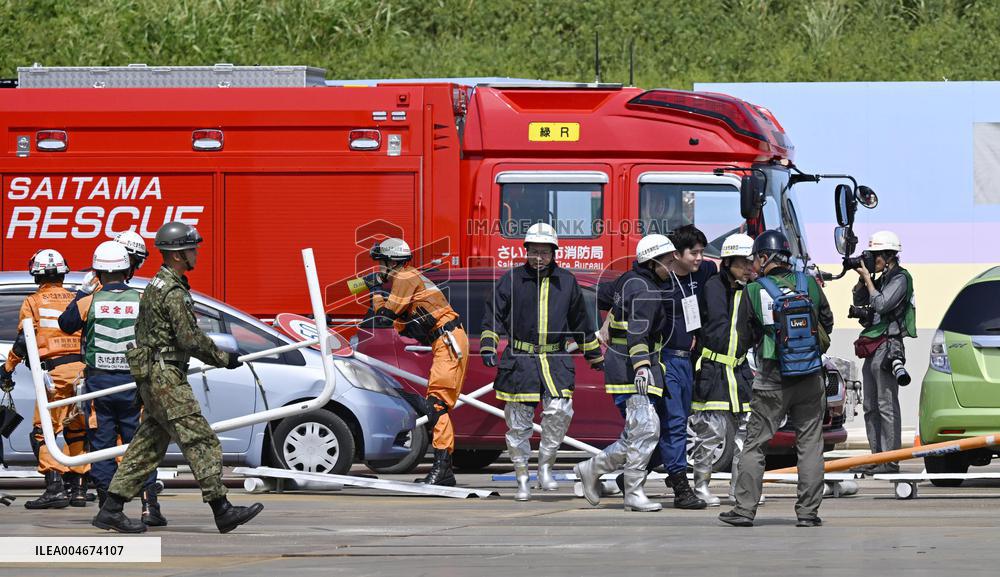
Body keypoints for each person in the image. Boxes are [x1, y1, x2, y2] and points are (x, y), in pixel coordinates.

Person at [92, 222, 262, 534]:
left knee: (147, 447)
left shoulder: (157, 285)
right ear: (179, 255)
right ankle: (222, 509)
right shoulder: (172, 292)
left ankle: (111, 509)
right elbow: (190, 339)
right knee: (201, 439)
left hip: (154, 376)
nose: (196, 253)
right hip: (165, 377)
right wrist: (224, 358)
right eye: (192, 248)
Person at [480, 223, 604, 501]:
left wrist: (594, 355)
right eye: (533, 251)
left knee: (560, 412)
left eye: (544, 252)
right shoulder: (511, 279)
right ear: (526, 251)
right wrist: (489, 345)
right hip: (520, 361)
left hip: (556, 360)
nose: (538, 257)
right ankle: (522, 477)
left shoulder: (567, 280)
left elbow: (580, 321)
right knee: (518, 424)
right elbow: (493, 315)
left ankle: (545, 466)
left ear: (554, 252)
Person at [720, 229, 833, 528]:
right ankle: (808, 513)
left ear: (763, 257)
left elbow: (742, 338)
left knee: (756, 444)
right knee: (810, 444)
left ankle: (744, 510)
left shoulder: (754, 291)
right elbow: (828, 322)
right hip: (810, 375)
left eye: (755, 258)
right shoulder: (808, 283)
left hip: (772, 376)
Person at [59, 240, 165, 526]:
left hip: (100, 386)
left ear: (98, 272)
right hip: (135, 386)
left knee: (103, 446)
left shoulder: (88, 301)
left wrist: (82, 291)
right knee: (141, 446)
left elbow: (65, 324)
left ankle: (108, 509)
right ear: (127, 270)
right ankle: (149, 508)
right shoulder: (141, 300)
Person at [574, 234, 676, 512]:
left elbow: (604, 296)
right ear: (653, 262)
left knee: (637, 432)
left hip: (621, 368)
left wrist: (609, 322)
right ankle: (632, 492)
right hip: (634, 371)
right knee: (646, 430)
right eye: (668, 261)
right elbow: (637, 333)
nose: (672, 266)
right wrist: (642, 368)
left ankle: (591, 468)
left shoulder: (628, 280)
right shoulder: (646, 291)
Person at [368, 238, 469, 486]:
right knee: (434, 404)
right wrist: (379, 295)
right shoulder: (407, 279)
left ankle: (443, 469)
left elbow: (385, 317)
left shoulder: (404, 278)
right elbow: (399, 323)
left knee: (436, 406)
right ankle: (443, 468)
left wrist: (376, 294)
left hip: (448, 341)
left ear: (392, 261)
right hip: (444, 341)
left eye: (381, 262)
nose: (379, 268)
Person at [0, 249, 91, 509]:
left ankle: (55, 489)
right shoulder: (76, 299)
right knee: (78, 430)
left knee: (43, 432)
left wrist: (7, 368)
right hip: (82, 373)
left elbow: (22, 341)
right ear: (63, 272)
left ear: (36, 275)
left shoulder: (33, 302)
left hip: (54, 375)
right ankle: (80, 489)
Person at [689, 233, 759, 507]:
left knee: (746, 433)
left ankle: (739, 490)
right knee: (712, 433)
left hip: (739, 372)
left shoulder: (751, 290)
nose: (748, 269)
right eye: (742, 263)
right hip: (712, 369)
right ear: (728, 262)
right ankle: (701, 485)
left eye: (750, 263)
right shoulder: (711, 287)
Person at [654, 224, 716, 509]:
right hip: (665, 359)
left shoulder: (705, 273)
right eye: (694, 253)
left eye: (702, 252)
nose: (700, 258)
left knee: (680, 424)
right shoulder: (658, 279)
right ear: (676, 254)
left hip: (691, 360)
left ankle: (633, 474)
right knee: (674, 423)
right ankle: (680, 486)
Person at [851, 231, 915, 475]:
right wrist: (862, 279)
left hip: (889, 345)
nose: (872, 260)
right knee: (869, 404)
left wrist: (869, 279)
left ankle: (891, 460)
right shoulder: (882, 278)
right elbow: (859, 299)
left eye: (875, 256)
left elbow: (881, 304)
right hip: (873, 344)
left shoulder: (900, 278)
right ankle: (877, 456)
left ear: (889, 256)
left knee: (886, 404)